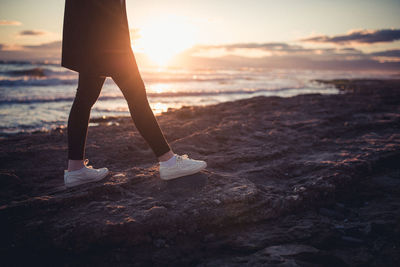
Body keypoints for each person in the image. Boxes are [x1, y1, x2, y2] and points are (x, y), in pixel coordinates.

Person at [62, 0, 206, 188]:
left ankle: (75, 169)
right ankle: (169, 161)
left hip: (90, 34)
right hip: (108, 34)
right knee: (136, 95)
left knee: (84, 98)